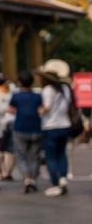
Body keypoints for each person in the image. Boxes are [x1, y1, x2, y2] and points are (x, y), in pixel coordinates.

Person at [38, 58, 74, 197]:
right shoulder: (65, 88)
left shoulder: (47, 90)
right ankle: (63, 178)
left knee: (51, 157)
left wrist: (39, 111)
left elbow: (46, 107)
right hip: (65, 124)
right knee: (61, 154)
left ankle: (55, 184)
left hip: (50, 126)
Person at [8, 70, 44, 194]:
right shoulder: (38, 96)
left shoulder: (16, 96)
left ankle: (27, 177)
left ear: (19, 82)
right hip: (36, 127)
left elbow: (11, 110)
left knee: (20, 155)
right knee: (34, 155)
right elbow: (41, 110)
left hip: (20, 127)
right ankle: (33, 178)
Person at [0, 72, 18, 181]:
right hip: (12, 122)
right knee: (11, 150)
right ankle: (8, 172)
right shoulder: (13, 91)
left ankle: (0, 172)